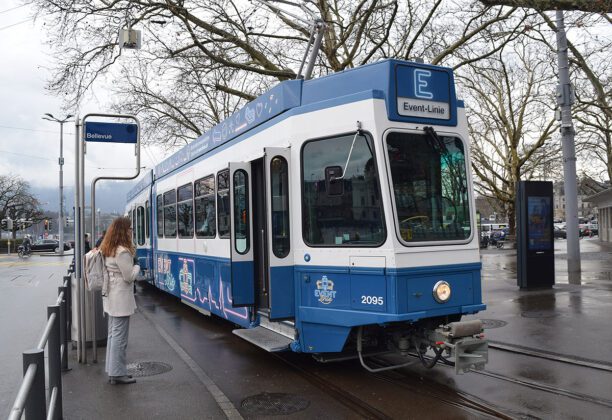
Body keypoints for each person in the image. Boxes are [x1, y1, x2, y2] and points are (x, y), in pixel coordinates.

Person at [99, 217, 140, 385]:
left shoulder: (109, 248)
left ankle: (113, 370)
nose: (131, 231)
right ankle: (117, 374)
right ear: (124, 231)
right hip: (120, 298)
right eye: (129, 229)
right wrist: (137, 265)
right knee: (119, 336)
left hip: (112, 296)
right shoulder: (122, 251)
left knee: (113, 334)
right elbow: (129, 276)